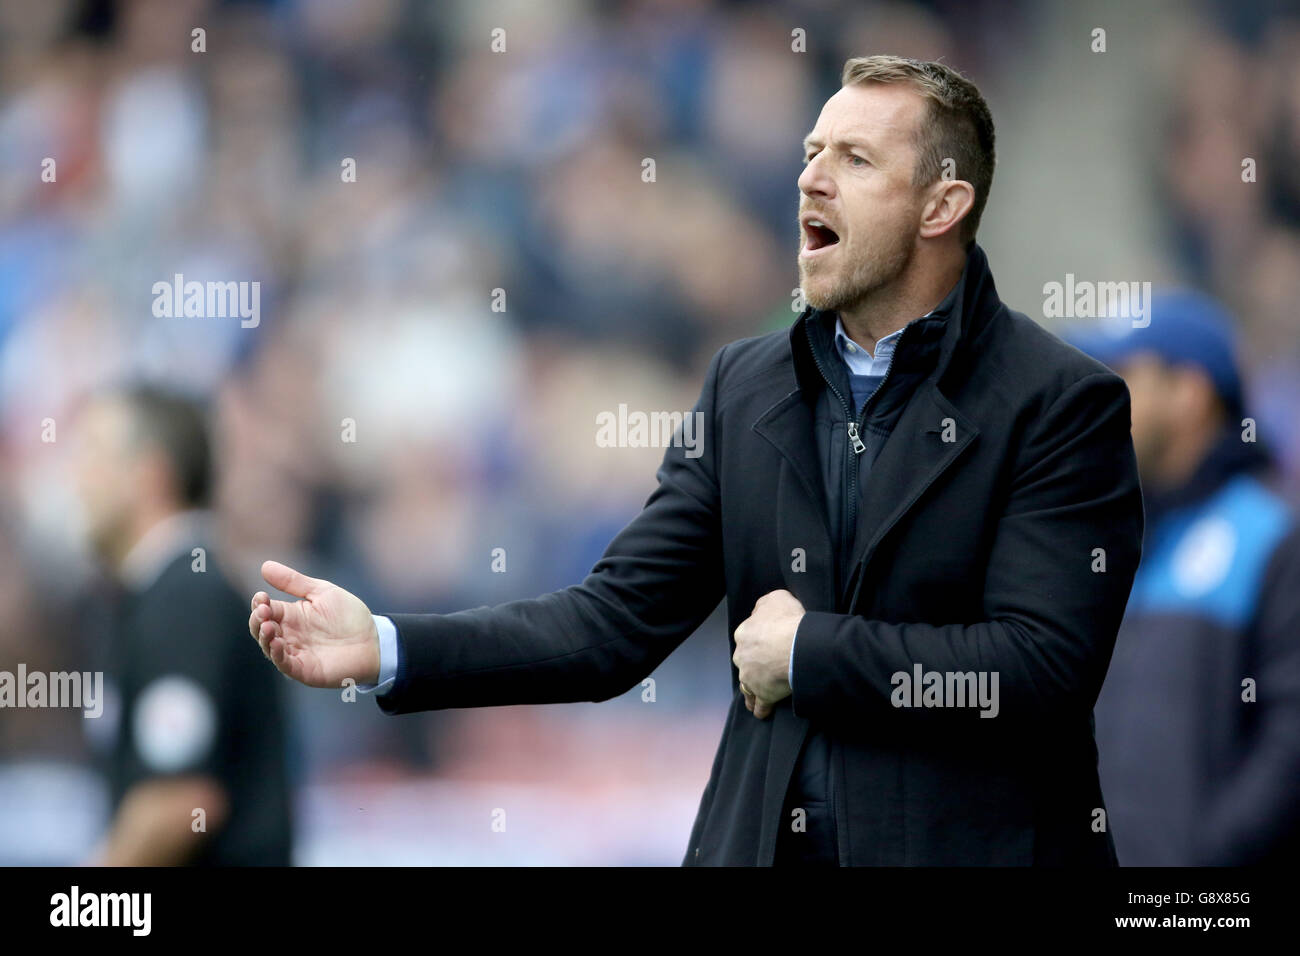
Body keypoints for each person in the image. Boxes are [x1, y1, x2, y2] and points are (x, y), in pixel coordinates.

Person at [250, 55, 1144, 865]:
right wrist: (391, 647)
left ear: (942, 207)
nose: (810, 179)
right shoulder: (745, 385)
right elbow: (610, 625)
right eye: (811, 150)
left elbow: (1038, 672)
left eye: (856, 161)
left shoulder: (1059, 403)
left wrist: (811, 653)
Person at [1070, 292, 1300, 865]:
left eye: (1123, 377)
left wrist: (1200, 862)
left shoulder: (1272, 539)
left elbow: (1290, 743)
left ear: (1190, 395)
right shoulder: (1106, 542)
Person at [76, 384, 293, 865]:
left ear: (150, 476)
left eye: (92, 453)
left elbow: (181, 800)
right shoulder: (160, 594)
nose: (78, 479)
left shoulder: (185, 600)